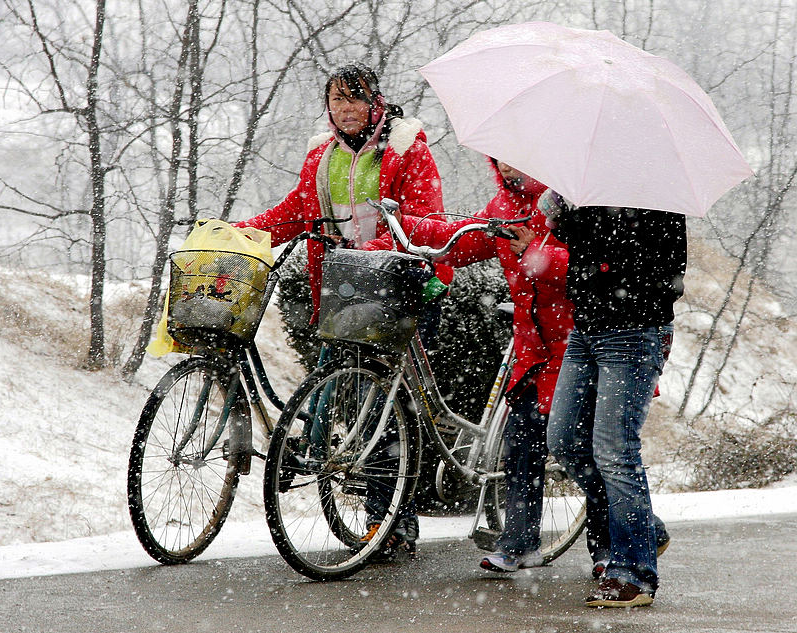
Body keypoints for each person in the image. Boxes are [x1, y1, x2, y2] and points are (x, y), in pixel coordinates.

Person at [235, 62, 452, 553]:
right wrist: (243, 233)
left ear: (375, 101)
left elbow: (423, 221)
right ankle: (353, 483)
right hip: (345, 290)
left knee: (392, 403)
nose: (347, 108)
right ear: (327, 107)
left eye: (355, 98)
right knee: (342, 390)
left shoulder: (404, 149)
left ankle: (393, 520)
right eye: (337, 100)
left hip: (403, 287)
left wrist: (377, 254)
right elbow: (294, 212)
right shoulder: (322, 156)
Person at [366, 158, 609, 571]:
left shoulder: (571, 202)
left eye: (517, 158)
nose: (509, 169)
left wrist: (536, 251)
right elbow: (456, 240)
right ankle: (519, 544)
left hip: (578, 344)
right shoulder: (502, 207)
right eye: (500, 160)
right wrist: (399, 228)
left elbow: (595, 269)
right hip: (533, 348)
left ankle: (616, 544)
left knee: (576, 447)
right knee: (522, 443)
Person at [541, 190, 686, 608]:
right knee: (565, 439)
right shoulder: (590, 185)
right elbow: (585, 256)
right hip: (586, 329)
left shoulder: (657, 192)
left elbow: (666, 274)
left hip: (634, 333)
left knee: (615, 450)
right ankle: (646, 528)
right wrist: (564, 219)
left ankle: (635, 575)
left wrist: (596, 237)